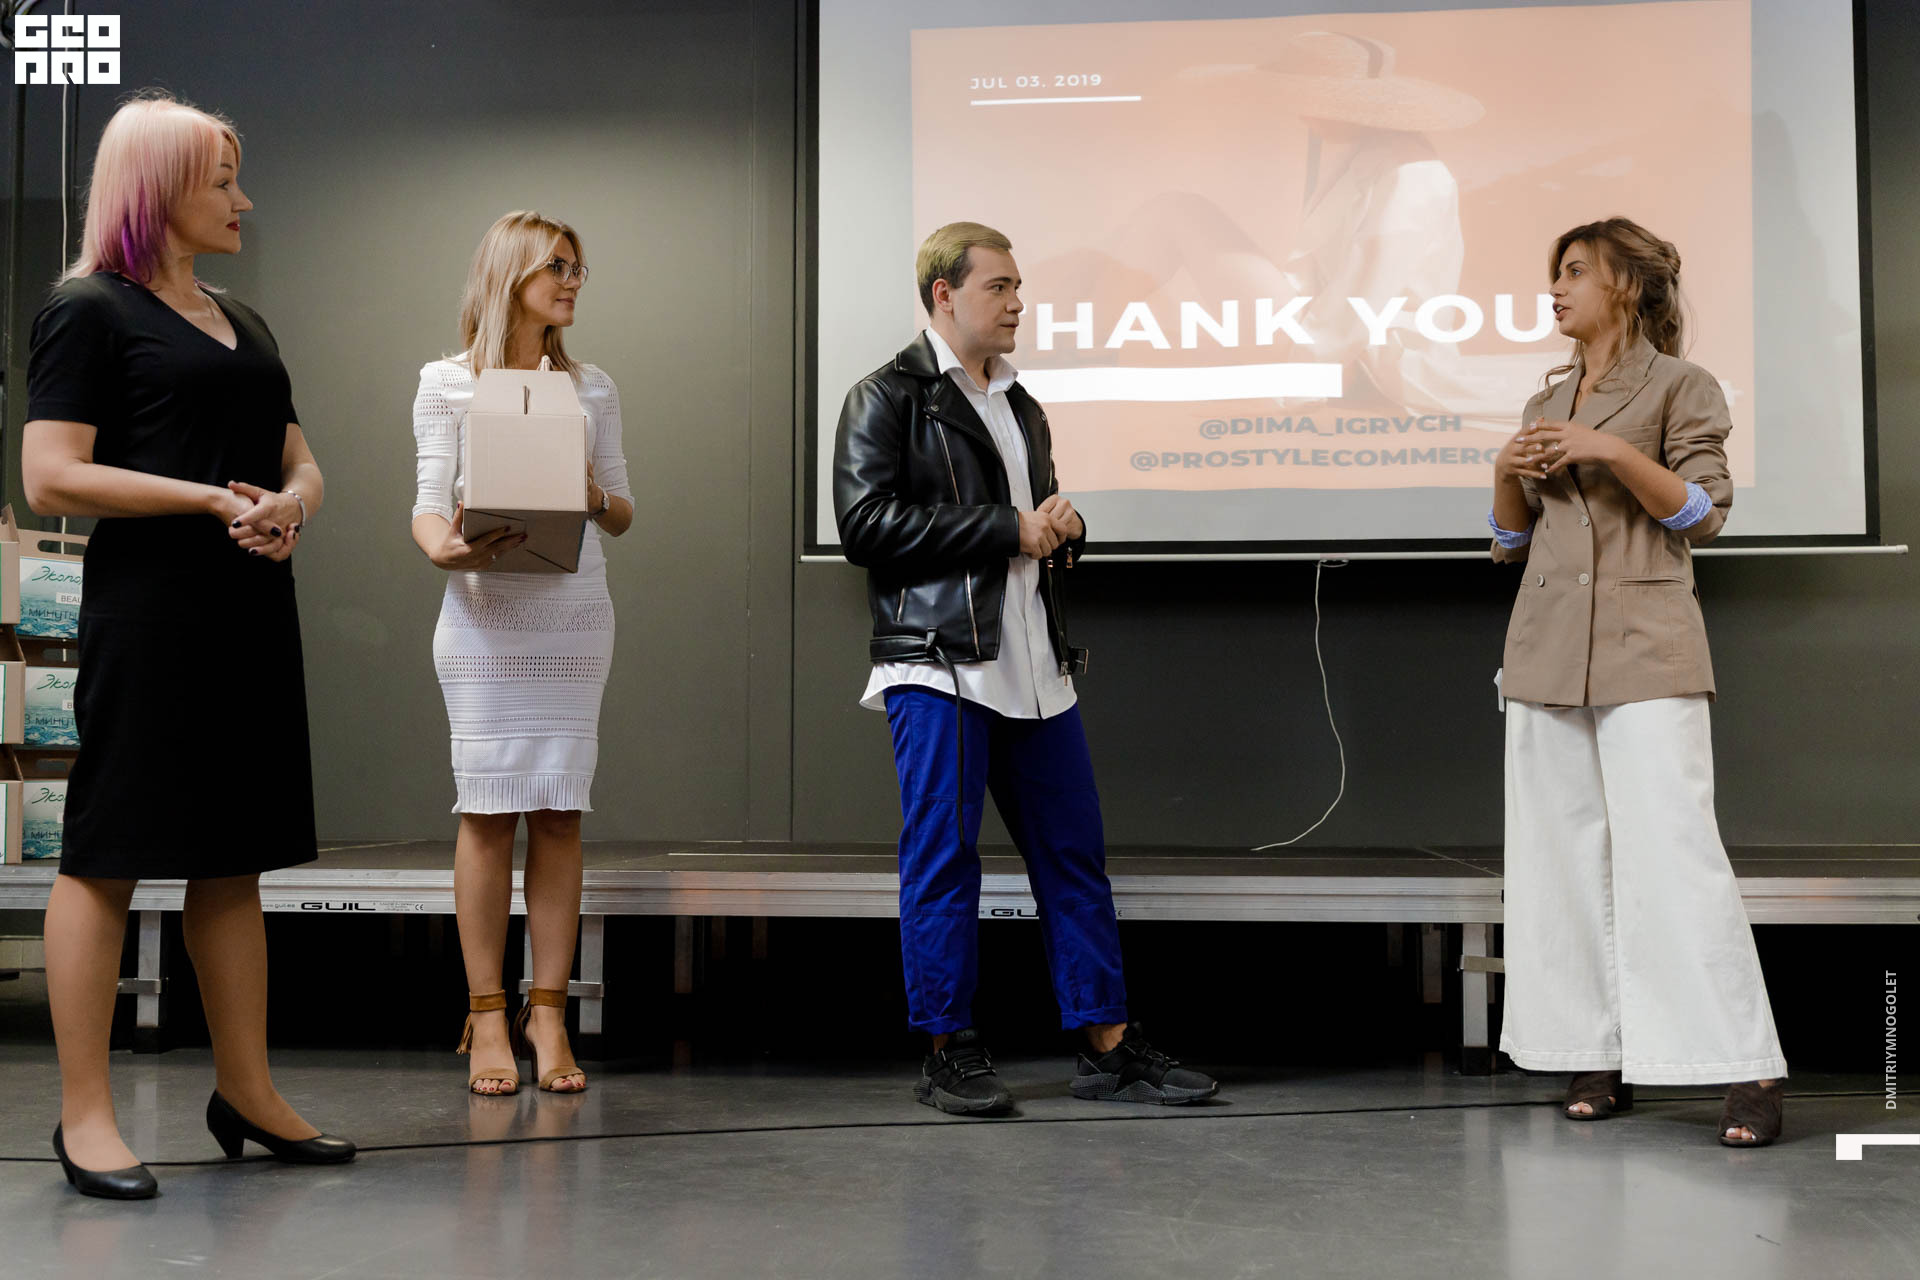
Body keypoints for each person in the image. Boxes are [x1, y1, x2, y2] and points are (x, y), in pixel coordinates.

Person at [22, 94, 355, 1200]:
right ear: (161, 189)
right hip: (150, 611)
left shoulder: (241, 318)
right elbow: (50, 475)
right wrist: (208, 498)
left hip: (248, 609)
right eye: (223, 181)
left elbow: (302, 458)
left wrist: (295, 502)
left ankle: (246, 1091)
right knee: (106, 854)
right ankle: (84, 1116)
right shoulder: (87, 309)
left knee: (232, 857)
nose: (243, 199)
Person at [833, 222, 1217, 1115]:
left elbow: (1029, 533)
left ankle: (1107, 1047)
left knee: (1073, 858)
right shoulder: (886, 396)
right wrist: (1010, 527)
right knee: (943, 860)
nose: (1017, 304)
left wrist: (1062, 530)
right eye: (999, 287)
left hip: (1036, 667)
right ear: (943, 294)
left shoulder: (1022, 403)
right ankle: (948, 1049)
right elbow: (865, 526)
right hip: (940, 666)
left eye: (1017, 288)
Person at [1487, 217, 1787, 1146]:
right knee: (1561, 863)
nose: (1556, 288)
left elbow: (1704, 514)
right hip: (1543, 652)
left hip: (1648, 648)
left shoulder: (1682, 385)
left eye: (1575, 271)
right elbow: (1510, 543)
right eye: (1556, 273)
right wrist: (1504, 471)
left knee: (1675, 855)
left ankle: (1745, 1064)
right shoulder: (1545, 399)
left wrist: (1613, 451)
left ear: (1625, 283)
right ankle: (1594, 1050)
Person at [410, 211, 632, 1096]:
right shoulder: (445, 382)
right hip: (483, 617)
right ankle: (487, 1015)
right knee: (487, 812)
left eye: (580, 269)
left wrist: (590, 494)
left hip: (572, 615)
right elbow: (429, 506)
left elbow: (622, 509)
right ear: (512, 275)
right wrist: (446, 551)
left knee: (561, 813)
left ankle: (549, 1014)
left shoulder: (594, 387)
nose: (574, 282)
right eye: (558, 268)